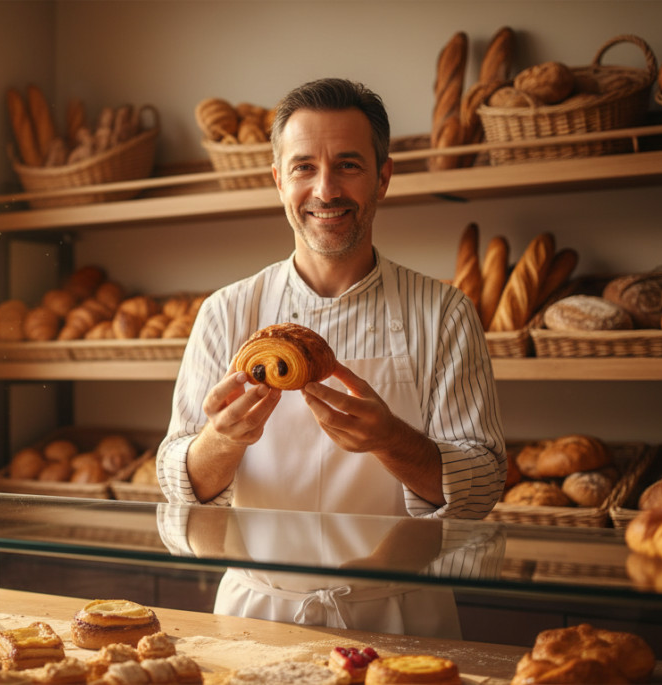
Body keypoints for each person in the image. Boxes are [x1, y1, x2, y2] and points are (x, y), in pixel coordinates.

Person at [155, 77, 506, 639]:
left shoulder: (444, 312)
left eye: (348, 165)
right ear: (277, 180)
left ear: (383, 177)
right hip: (256, 614)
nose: (326, 189)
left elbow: (483, 485)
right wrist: (223, 438)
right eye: (303, 167)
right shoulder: (227, 312)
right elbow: (178, 486)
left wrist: (391, 440)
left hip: (403, 618)